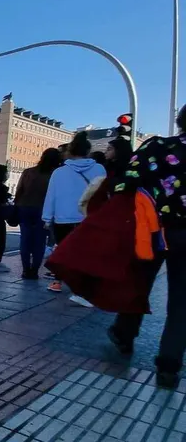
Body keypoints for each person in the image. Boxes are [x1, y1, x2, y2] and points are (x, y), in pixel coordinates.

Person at [108, 104, 186, 389]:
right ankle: (169, 364)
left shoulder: (158, 146)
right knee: (182, 301)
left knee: (140, 283)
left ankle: (124, 334)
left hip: (153, 229)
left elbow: (128, 180)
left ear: (180, 122)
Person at [42, 131, 106, 298]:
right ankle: (83, 286)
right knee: (87, 252)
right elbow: (103, 194)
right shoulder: (99, 169)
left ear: (71, 151)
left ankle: (58, 282)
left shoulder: (59, 172)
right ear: (87, 151)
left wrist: (47, 218)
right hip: (89, 218)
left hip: (63, 218)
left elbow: (51, 195)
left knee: (64, 251)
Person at [14, 148, 62, 279]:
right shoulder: (55, 174)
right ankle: (34, 270)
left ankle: (25, 270)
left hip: (25, 207)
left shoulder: (28, 172)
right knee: (40, 241)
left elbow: (19, 190)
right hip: (43, 210)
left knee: (25, 240)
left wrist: (16, 205)